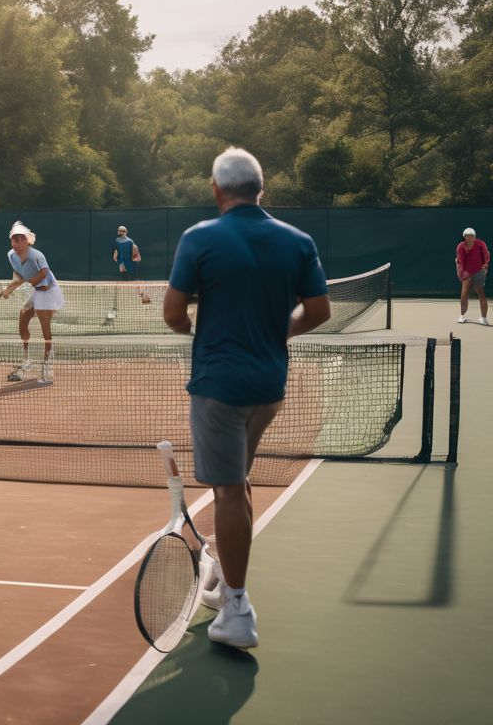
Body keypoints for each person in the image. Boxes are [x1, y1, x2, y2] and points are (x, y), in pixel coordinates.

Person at [162, 148, 330, 650]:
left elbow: (172, 312)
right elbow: (319, 310)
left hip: (219, 388)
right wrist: (279, 329)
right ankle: (229, 586)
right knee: (238, 483)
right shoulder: (297, 241)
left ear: (217, 190)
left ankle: (237, 609)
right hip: (268, 388)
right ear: (262, 189)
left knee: (229, 492)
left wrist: (193, 327)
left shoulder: (200, 238)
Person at [0, 222, 64, 383]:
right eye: (15, 239)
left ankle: (47, 366)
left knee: (45, 330)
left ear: (27, 241)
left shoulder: (37, 255)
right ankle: (27, 361)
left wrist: (33, 281)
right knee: (23, 318)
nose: (18, 242)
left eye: (21, 239)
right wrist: (9, 289)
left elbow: (45, 272)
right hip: (37, 292)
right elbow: (20, 275)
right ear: (11, 241)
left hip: (49, 292)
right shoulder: (11, 255)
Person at [455, 227, 489, 325]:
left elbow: (486, 255)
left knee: (481, 293)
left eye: (472, 236)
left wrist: (485, 266)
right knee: (464, 293)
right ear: (464, 237)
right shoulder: (461, 246)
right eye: (467, 236)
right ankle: (462, 316)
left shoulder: (481, 244)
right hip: (467, 272)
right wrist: (462, 273)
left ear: (474, 236)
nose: (470, 238)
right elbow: (460, 261)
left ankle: (484, 318)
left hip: (479, 271)